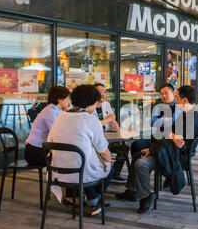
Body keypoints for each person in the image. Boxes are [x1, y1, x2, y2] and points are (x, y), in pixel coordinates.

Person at [117, 85, 198, 214]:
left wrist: (153, 149)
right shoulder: (186, 114)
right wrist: (170, 137)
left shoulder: (191, 120)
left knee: (141, 164)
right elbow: (168, 133)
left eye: (177, 97)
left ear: (184, 100)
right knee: (137, 154)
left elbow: (175, 147)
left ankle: (146, 197)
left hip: (174, 158)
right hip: (167, 152)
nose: (176, 100)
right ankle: (133, 191)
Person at [47, 85, 114, 217]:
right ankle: (95, 200)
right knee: (108, 167)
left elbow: (50, 143)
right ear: (93, 103)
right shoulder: (91, 120)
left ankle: (91, 197)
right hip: (81, 173)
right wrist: (109, 159)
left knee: (85, 163)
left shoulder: (60, 117)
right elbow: (104, 151)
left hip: (58, 172)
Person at [25, 86, 71, 167]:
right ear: (59, 99)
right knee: (68, 159)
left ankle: (58, 179)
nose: (68, 102)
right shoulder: (50, 112)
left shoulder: (55, 110)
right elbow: (57, 135)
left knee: (68, 157)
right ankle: (57, 179)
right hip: (35, 152)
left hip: (40, 150)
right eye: (67, 99)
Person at [130, 83, 179, 155]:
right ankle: (138, 165)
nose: (164, 96)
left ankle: (144, 163)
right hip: (156, 138)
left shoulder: (177, 107)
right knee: (135, 145)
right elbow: (152, 122)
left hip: (168, 140)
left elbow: (171, 123)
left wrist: (160, 121)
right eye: (161, 94)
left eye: (166, 93)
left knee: (138, 146)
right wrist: (164, 119)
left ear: (173, 93)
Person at [94, 83, 128, 184]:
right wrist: (109, 119)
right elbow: (95, 125)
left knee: (124, 148)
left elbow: (113, 121)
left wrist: (121, 139)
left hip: (107, 137)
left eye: (104, 91)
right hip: (96, 141)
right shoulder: (90, 107)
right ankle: (103, 173)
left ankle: (114, 174)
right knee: (103, 152)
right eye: (100, 92)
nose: (103, 94)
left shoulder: (106, 104)